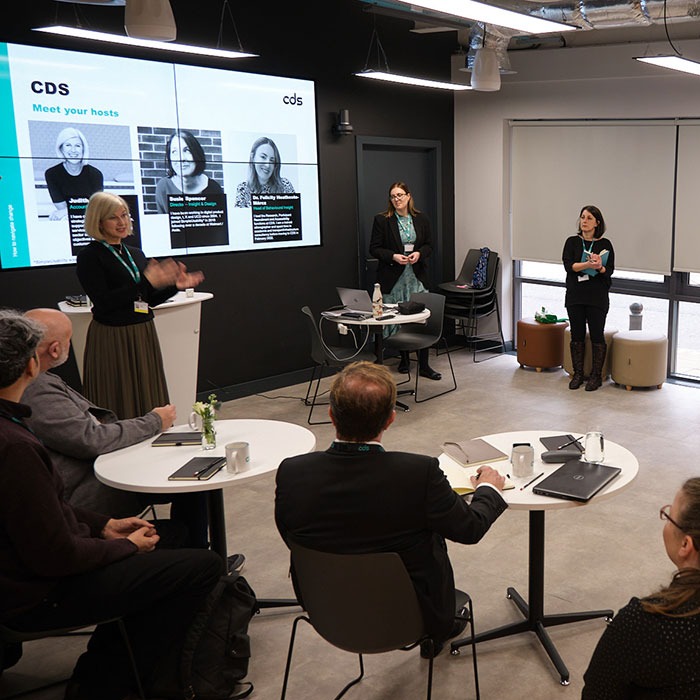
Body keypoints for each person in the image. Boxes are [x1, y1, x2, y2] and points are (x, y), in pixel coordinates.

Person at [0, 309, 223, 700]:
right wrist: (123, 546)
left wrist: (104, 527)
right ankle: (103, 681)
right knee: (203, 566)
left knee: (173, 536)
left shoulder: (13, 433)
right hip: (35, 594)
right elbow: (57, 556)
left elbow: (45, 512)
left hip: (26, 573)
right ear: (32, 363)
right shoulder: (15, 448)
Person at [275, 361, 507, 656]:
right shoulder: (417, 474)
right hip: (411, 616)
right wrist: (488, 487)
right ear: (390, 419)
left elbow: (290, 535)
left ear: (331, 415)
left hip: (326, 610)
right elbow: (470, 528)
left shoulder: (292, 472)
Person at [20, 308, 211, 549]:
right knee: (192, 481)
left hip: (98, 471)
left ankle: (202, 560)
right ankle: (202, 564)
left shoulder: (36, 381)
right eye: (69, 339)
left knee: (190, 480)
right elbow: (90, 439)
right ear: (55, 349)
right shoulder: (36, 390)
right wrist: (153, 421)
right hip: (91, 489)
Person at [76, 191, 204, 420]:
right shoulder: (90, 256)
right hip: (113, 336)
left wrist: (175, 285)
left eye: (124, 215)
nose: (122, 222)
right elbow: (105, 302)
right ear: (98, 222)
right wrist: (146, 281)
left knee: (147, 393)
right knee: (117, 394)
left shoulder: (135, 254)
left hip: (141, 332)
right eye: (113, 217)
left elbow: (148, 300)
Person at [582, 477, 700, 699]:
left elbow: (597, 693)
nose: (665, 522)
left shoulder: (644, 623)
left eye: (668, 517)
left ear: (686, 545)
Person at [368, 181, 441, 380]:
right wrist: (393, 256)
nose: (397, 199)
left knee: (421, 319)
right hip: (394, 278)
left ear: (409, 196)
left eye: (400, 195)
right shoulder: (382, 220)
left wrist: (419, 253)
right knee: (399, 319)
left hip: (416, 277)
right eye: (393, 196)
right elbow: (374, 248)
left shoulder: (421, 219)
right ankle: (405, 361)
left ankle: (424, 365)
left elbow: (429, 245)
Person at [562, 205, 615, 392]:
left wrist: (599, 266)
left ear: (597, 223)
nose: (584, 221)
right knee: (576, 335)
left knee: (597, 335)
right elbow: (569, 266)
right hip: (576, 295)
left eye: (589, 218)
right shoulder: (572, 242)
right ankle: (578, 374)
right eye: (582, 217)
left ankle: (596, 376)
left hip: (597, 297)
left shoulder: (605, 244)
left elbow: (609, 271)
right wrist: (587, 263)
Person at [155, 130, 223, 214]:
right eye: (174, 152)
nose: (181, 158)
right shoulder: (163, 187)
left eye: (187, 150)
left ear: (196, 154)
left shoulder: (214, 187)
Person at [44, 126, 104, 221]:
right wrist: (68, 211)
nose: (73, 150)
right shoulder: (52, 174)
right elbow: (60, 206)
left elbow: (97, 206)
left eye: (77, 146)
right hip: (68, 219)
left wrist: (66, 211)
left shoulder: (95, 174)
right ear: (61, 149)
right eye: (68, 145)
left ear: (83, 149)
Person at [234, 136, 295, 207]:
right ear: (253, 157)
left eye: (272, 160)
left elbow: (295, 216)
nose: (267, 165)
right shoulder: (243, 189)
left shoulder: (285, 185)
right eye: (263, 157)